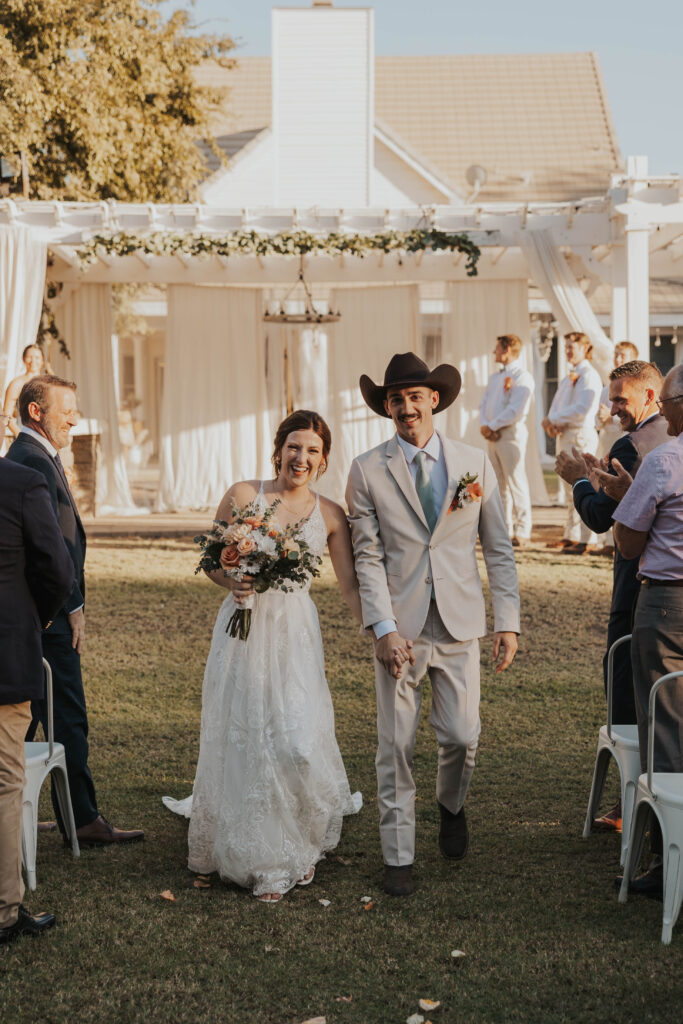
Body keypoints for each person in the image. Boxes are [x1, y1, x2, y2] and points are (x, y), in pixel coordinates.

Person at [166, 410, 363, 904]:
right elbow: (213, 559)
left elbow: (350, 585)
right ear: (279, 449)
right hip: (243, 632)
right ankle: (267, 853)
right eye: (294, 447)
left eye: (313, 450)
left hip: (295, 636)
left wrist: (381, 632)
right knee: (249, 735)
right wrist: (234, 580)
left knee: (295, 740)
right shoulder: (242, 496)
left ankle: (303, 831)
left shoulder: (332, 515)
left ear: (323, 460)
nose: (302, 458)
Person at [346, 352, 520, 897]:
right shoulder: (367, 469)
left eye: (415, 397)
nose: (405, 407)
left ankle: (452, 805)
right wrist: (382, 627)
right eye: (396, 399)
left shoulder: (473, 461)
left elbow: (497, 547)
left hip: (461, 623)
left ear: (434, 400)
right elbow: (367, 558)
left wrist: (507, 621)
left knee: (462, 736)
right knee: (395, 744)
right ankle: (398, 856)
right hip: (401, 629)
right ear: (387, 408)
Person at [6, 374, 144, 846]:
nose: (75, 417)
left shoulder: (33, 456)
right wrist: (69, 608)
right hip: (48, 617)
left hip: (38, 614)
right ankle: (82, 819)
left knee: (26, 719)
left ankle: (18, 805)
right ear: (36, 412)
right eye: (67, 409)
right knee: (67, 716)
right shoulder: (30, 460)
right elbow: (52, 551)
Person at [555, 360, 668, 832]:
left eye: (622, 398)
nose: (613, 406)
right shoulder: (668, 439)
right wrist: (603, 478)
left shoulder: (633, 444)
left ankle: (631, 804)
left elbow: (602, 516)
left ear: (649, 397)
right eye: (611, 397)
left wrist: (579, 480)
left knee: (626, 688)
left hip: (637, 581)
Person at [600, 364, 683, 898]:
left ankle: (665, 861)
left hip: (668, 610)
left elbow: (628, 543)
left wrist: (629, 497)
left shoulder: (664, 461)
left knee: (667, 733)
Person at [0, 458, 73, 945]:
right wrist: (35, 620)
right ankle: (4, 913)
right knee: (6, 779)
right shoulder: (21, 482)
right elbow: (57, 568)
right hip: (4, 653)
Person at [542, 332, 602, 554]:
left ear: (585, 348)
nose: (567, 350)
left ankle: (588, 539)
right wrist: (551, 422)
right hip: (564, 435)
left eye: (572, 347)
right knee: (568, 489)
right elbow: (557, 405)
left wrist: (554, 419)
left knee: (584, 484)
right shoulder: (570, 376)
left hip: (580, 436)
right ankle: (571, 534)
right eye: (566, 346)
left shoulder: (590, 375)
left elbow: (583, 408)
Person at [479, 333, 534, 548]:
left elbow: (516, 409)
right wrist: (485, 425)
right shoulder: (495, 378)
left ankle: (523, 529)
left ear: (508, 349)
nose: (494, 352)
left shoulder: (522, 376)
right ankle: (504, 528)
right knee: (498, 483)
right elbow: (483, 404)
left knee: (516, 481)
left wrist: (493, 425)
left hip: (511, 433)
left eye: (497, 348)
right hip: (492, 434)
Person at [593, 342, 639, 555]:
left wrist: (608, 420)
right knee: (603, 484)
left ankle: (616, 541)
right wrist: (601, 420)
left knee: (620, 487)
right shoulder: (606, 388)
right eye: (616, 355)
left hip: (624, 442)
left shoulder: (635, 390)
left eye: (623, 356)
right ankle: (605, 542)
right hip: (605, 440)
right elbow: (598, 417)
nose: (618, 359)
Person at [2, 344, 45, 447]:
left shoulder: (48, 384)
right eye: (29, 357)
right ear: (23, 359)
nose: (33, 361)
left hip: (46, 439)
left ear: (42, 360)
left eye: (37, 357)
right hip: (25, 436)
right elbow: (7, 415)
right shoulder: (17, 384)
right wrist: (20, 435)